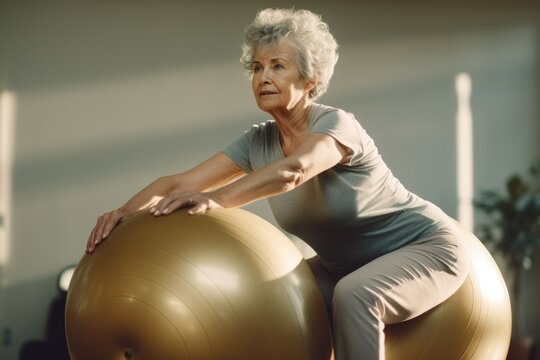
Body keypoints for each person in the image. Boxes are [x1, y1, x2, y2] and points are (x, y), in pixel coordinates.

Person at [87, 8, 470, 360]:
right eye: (256, 67)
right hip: (341, 266)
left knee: (357, 295)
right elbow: (179, 182)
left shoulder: (337, 125)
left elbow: (295, 171)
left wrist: (216, 199)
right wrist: (124, 212)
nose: (263, 77)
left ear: (310, 78)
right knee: (280, 300)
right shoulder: (258, 142)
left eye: (277, 66)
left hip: (425, 247)